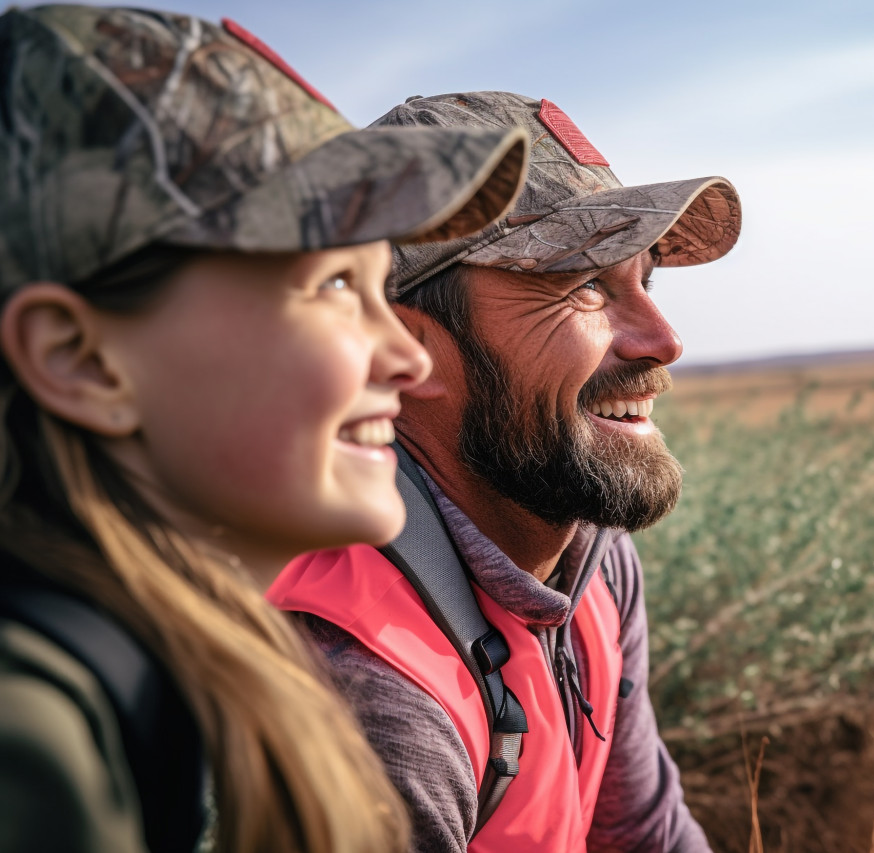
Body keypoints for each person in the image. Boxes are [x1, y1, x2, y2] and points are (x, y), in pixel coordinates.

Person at [0, 8, 528, 853]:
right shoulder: (33, 750)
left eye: (381, 286)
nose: (408, 360)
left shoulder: (154, 683)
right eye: (329, 286)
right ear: (80, 361)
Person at [268, 91, 741, 852]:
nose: (664, 340)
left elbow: (645, 834)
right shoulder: (367, 690)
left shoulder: (591, 555)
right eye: (585, 283)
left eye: (645, 281)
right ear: (406, 350)